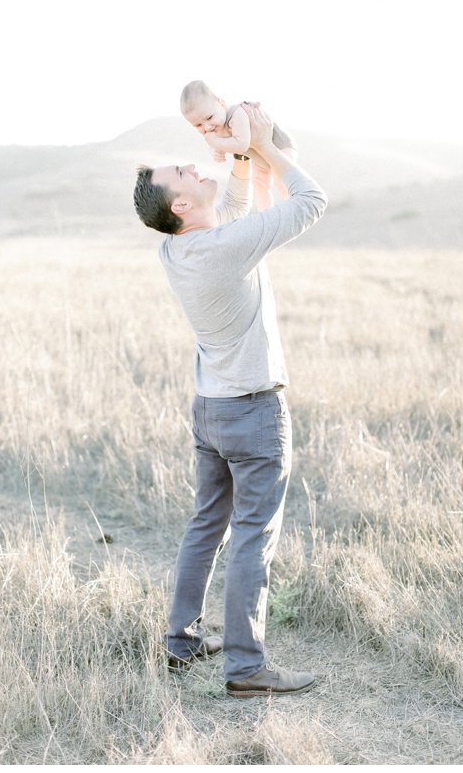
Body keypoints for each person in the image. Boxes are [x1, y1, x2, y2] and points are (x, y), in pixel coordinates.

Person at [132, 104, 327, 697]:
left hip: (211, 411)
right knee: (251, 534)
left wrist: (241, 155)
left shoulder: (180, 247)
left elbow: (238, 213)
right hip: (252, 412)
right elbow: (312, 200)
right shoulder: (222, 248)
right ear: (182, 206)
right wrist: (265, 147)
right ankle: (245, 668)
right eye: (185, 174)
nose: (194, 166)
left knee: (205, 524)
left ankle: (181, 642)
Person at [180, 80, 298, 210]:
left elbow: (241, 145)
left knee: (283, 179)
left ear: (222, 103)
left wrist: (215, 142)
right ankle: (267, 213)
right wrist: (215, 150)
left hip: (279, 145)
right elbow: (217, 145)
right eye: (198, 125)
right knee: (260, 184)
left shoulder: (237, 114)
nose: (207, 127)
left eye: (209, 118)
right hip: (260, 156)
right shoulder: (215, 126)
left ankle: (296, 205)